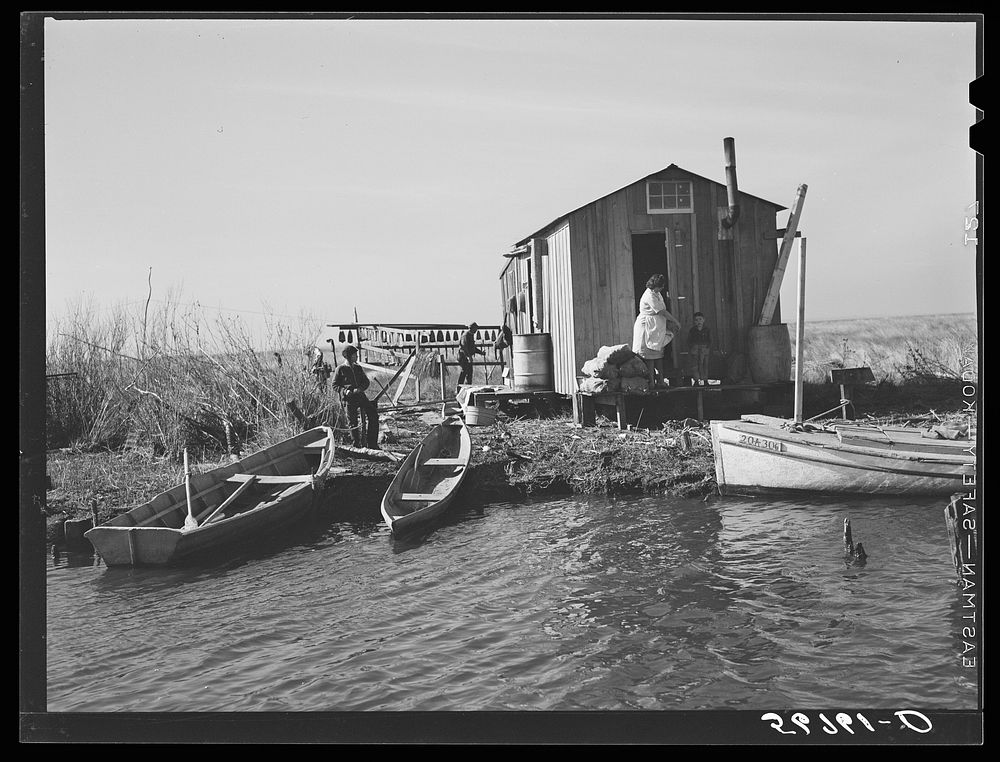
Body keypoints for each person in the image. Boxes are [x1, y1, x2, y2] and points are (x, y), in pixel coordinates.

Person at [632, 274, 680, 388]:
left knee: (658, 354)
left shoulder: (657, 294)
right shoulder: (649, 295)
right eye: (660, 287)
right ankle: (652, 382)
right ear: (655, 286)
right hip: (647, 327)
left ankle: (661, 380)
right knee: (650, 355)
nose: (662, 289)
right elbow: (661, 311)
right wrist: (675, 321)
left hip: (656, 327)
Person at [332, 345, 380, 449]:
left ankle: (372, 444)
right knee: (352, 423)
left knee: (373, 415)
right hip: (348, 399)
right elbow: (335, 385)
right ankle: (356, 446)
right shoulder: (340, 369)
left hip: (360, 396)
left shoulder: (358, 368)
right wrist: (345, 391)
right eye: (355, 355)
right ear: (349, 356)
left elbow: (366, 382)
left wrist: (360, 389)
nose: (357, 357)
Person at [457, 321, 485, 394]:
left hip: (468, 357)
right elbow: (464, 347)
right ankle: (459, 389)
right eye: (475, 329)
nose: (476, 331)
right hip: (463, 356)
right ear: (472, 328)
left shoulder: (471, 335)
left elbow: (473, 348)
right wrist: (468, 357)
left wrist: (481, 352)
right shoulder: (465, 335)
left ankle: (468, 391)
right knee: (464, 372)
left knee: (469, 374)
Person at [687, 312, 712, 386]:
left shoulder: (707, 330)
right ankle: (696, 380)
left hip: (704, 349)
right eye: (696, 320)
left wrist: (707, 347)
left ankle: (705, 380)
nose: (698, 322)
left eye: (700, 319)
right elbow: (689, 340)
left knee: (705, 365)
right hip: (695, 349)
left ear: (704, 320)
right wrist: (692, 347)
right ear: (694, 322)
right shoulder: (692, 330)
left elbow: (710, 340)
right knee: (695, 365)